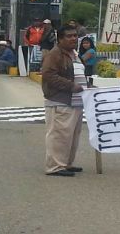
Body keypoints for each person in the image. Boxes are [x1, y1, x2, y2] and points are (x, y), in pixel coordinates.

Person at [41, 24, 85, 177]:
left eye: (75, 35)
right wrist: (71, 86)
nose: (73, 38)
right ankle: (54, 167)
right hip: (61, 102)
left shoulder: (73, 53)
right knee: (59, 135)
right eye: (69, 36)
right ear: (60, 39)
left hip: (75, 103)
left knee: (71, 136)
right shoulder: (55, 54)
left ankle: (66, 163)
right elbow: (48, 75)